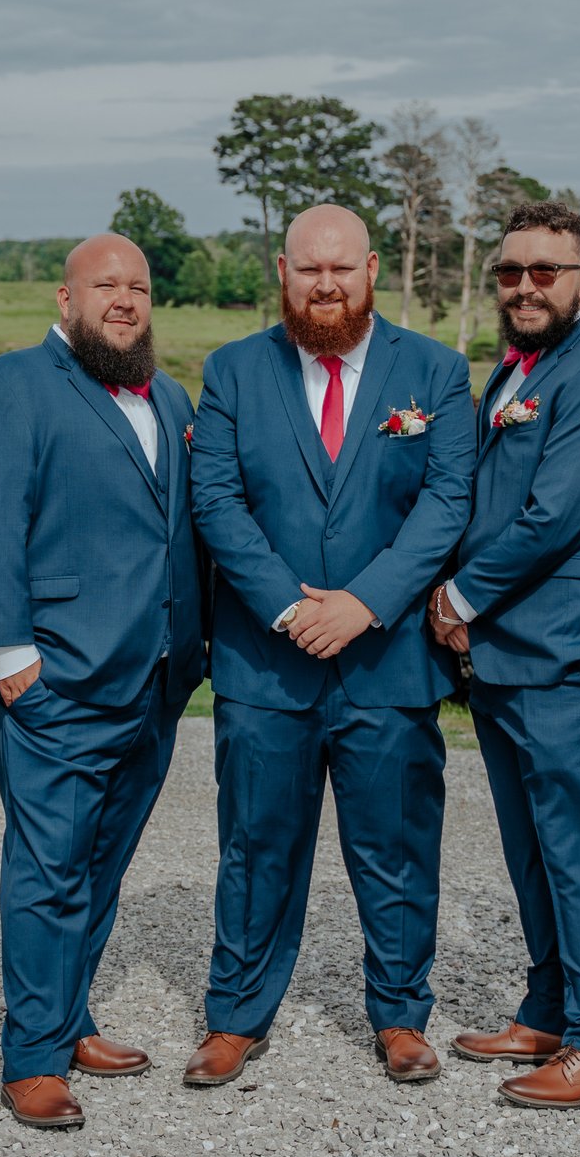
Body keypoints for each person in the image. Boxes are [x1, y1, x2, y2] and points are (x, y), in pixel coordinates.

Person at [185, 204, 474, 1087]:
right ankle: (235, 1017)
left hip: (386, 662)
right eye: (309, 268)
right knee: (255, 844)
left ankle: (399, 1015)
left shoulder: (436, 371)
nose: (325, 284)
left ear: (372, 268)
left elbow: (447, 502)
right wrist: (287, 607)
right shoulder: (234, 369)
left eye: (341, 269)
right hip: (266, 665)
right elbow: (218, 503)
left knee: (395, 844)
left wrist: (365, 603)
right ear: (283, 269)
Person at [0, 233, 207, 1128]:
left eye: (138, 285)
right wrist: (13, 662)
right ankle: (33, 1056)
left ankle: (69, 1012)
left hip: (156, 678)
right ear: (66, 297)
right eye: (107, 285)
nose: (125, 299)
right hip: (57, 675)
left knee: (103, 861)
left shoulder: (168, 393)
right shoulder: (5, 386)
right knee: (48, 866)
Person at [428, 201, 580, 1110]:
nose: (524, 286)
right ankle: (550, 1006)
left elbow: (552, 514)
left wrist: (457, 595)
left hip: (567, 656)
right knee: (530, 849)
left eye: (544, 271)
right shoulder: (514, 367)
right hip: (507, 657)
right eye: (511, 271)